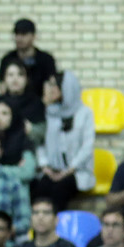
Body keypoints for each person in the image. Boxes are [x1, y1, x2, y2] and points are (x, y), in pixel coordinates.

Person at [33, 71, 97, 209]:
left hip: (75, 171)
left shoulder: (85, 113)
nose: (50, 89)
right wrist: (45, 166)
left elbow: (87, 146)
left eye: (54, 85)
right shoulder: (48, 111)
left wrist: (68, 170)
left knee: (60, 190)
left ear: (67, 88)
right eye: (49, 84)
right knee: (40, 187)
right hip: (51, 170)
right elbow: (40, 143)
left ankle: (55, 222)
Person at [0, 19, 59, 105]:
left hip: (39, 106)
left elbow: (49, 90)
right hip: (13, 106)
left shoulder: (46, 60)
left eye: (24, 34)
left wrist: (40, 108)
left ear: (34, 36)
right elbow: (3, 88)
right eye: (17, 34)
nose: (19, 38)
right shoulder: (7, 59)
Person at [0, 98, 38, 180]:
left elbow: (28, 172)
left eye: (4, 113)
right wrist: (16, 170)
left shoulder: (24, 139)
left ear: (14, 115)